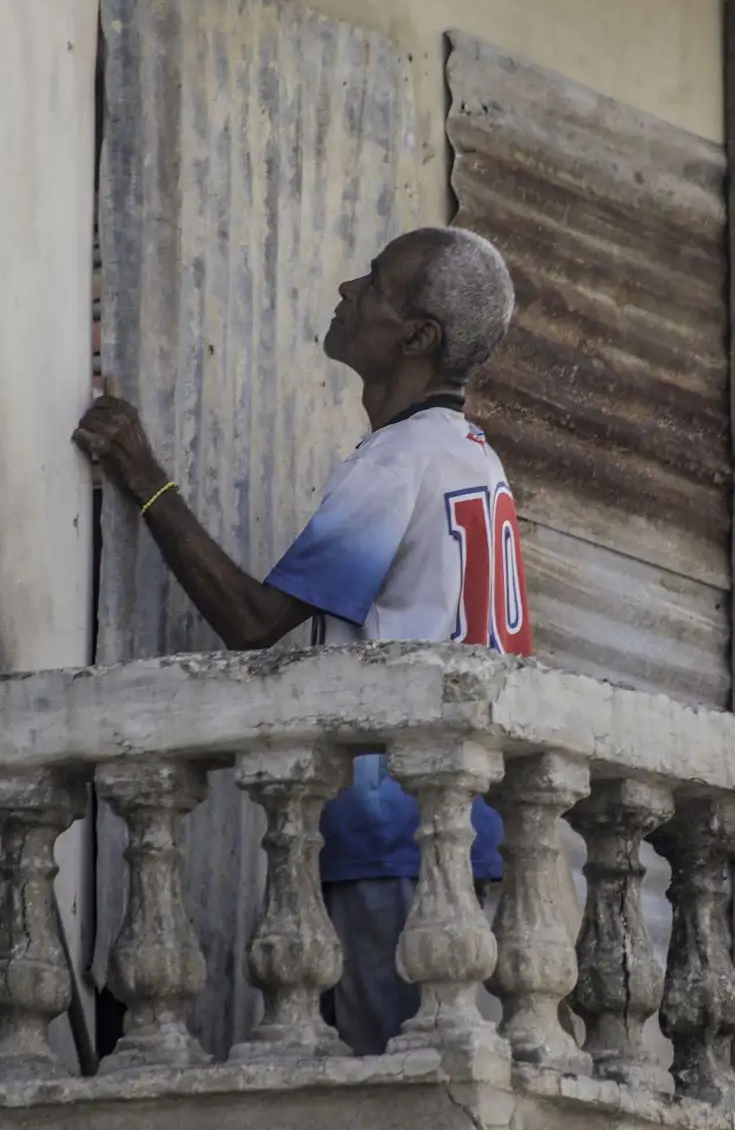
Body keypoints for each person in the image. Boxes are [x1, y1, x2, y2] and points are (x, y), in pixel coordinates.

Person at [73, 224, 531, 1056]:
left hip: (398, 842)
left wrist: (145, 478)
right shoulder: (475, 460)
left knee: (399, 1092)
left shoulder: (397, 460)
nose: (348, 290)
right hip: (478, 837)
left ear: (417, 337)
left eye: (375, 285)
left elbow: (252, 623)